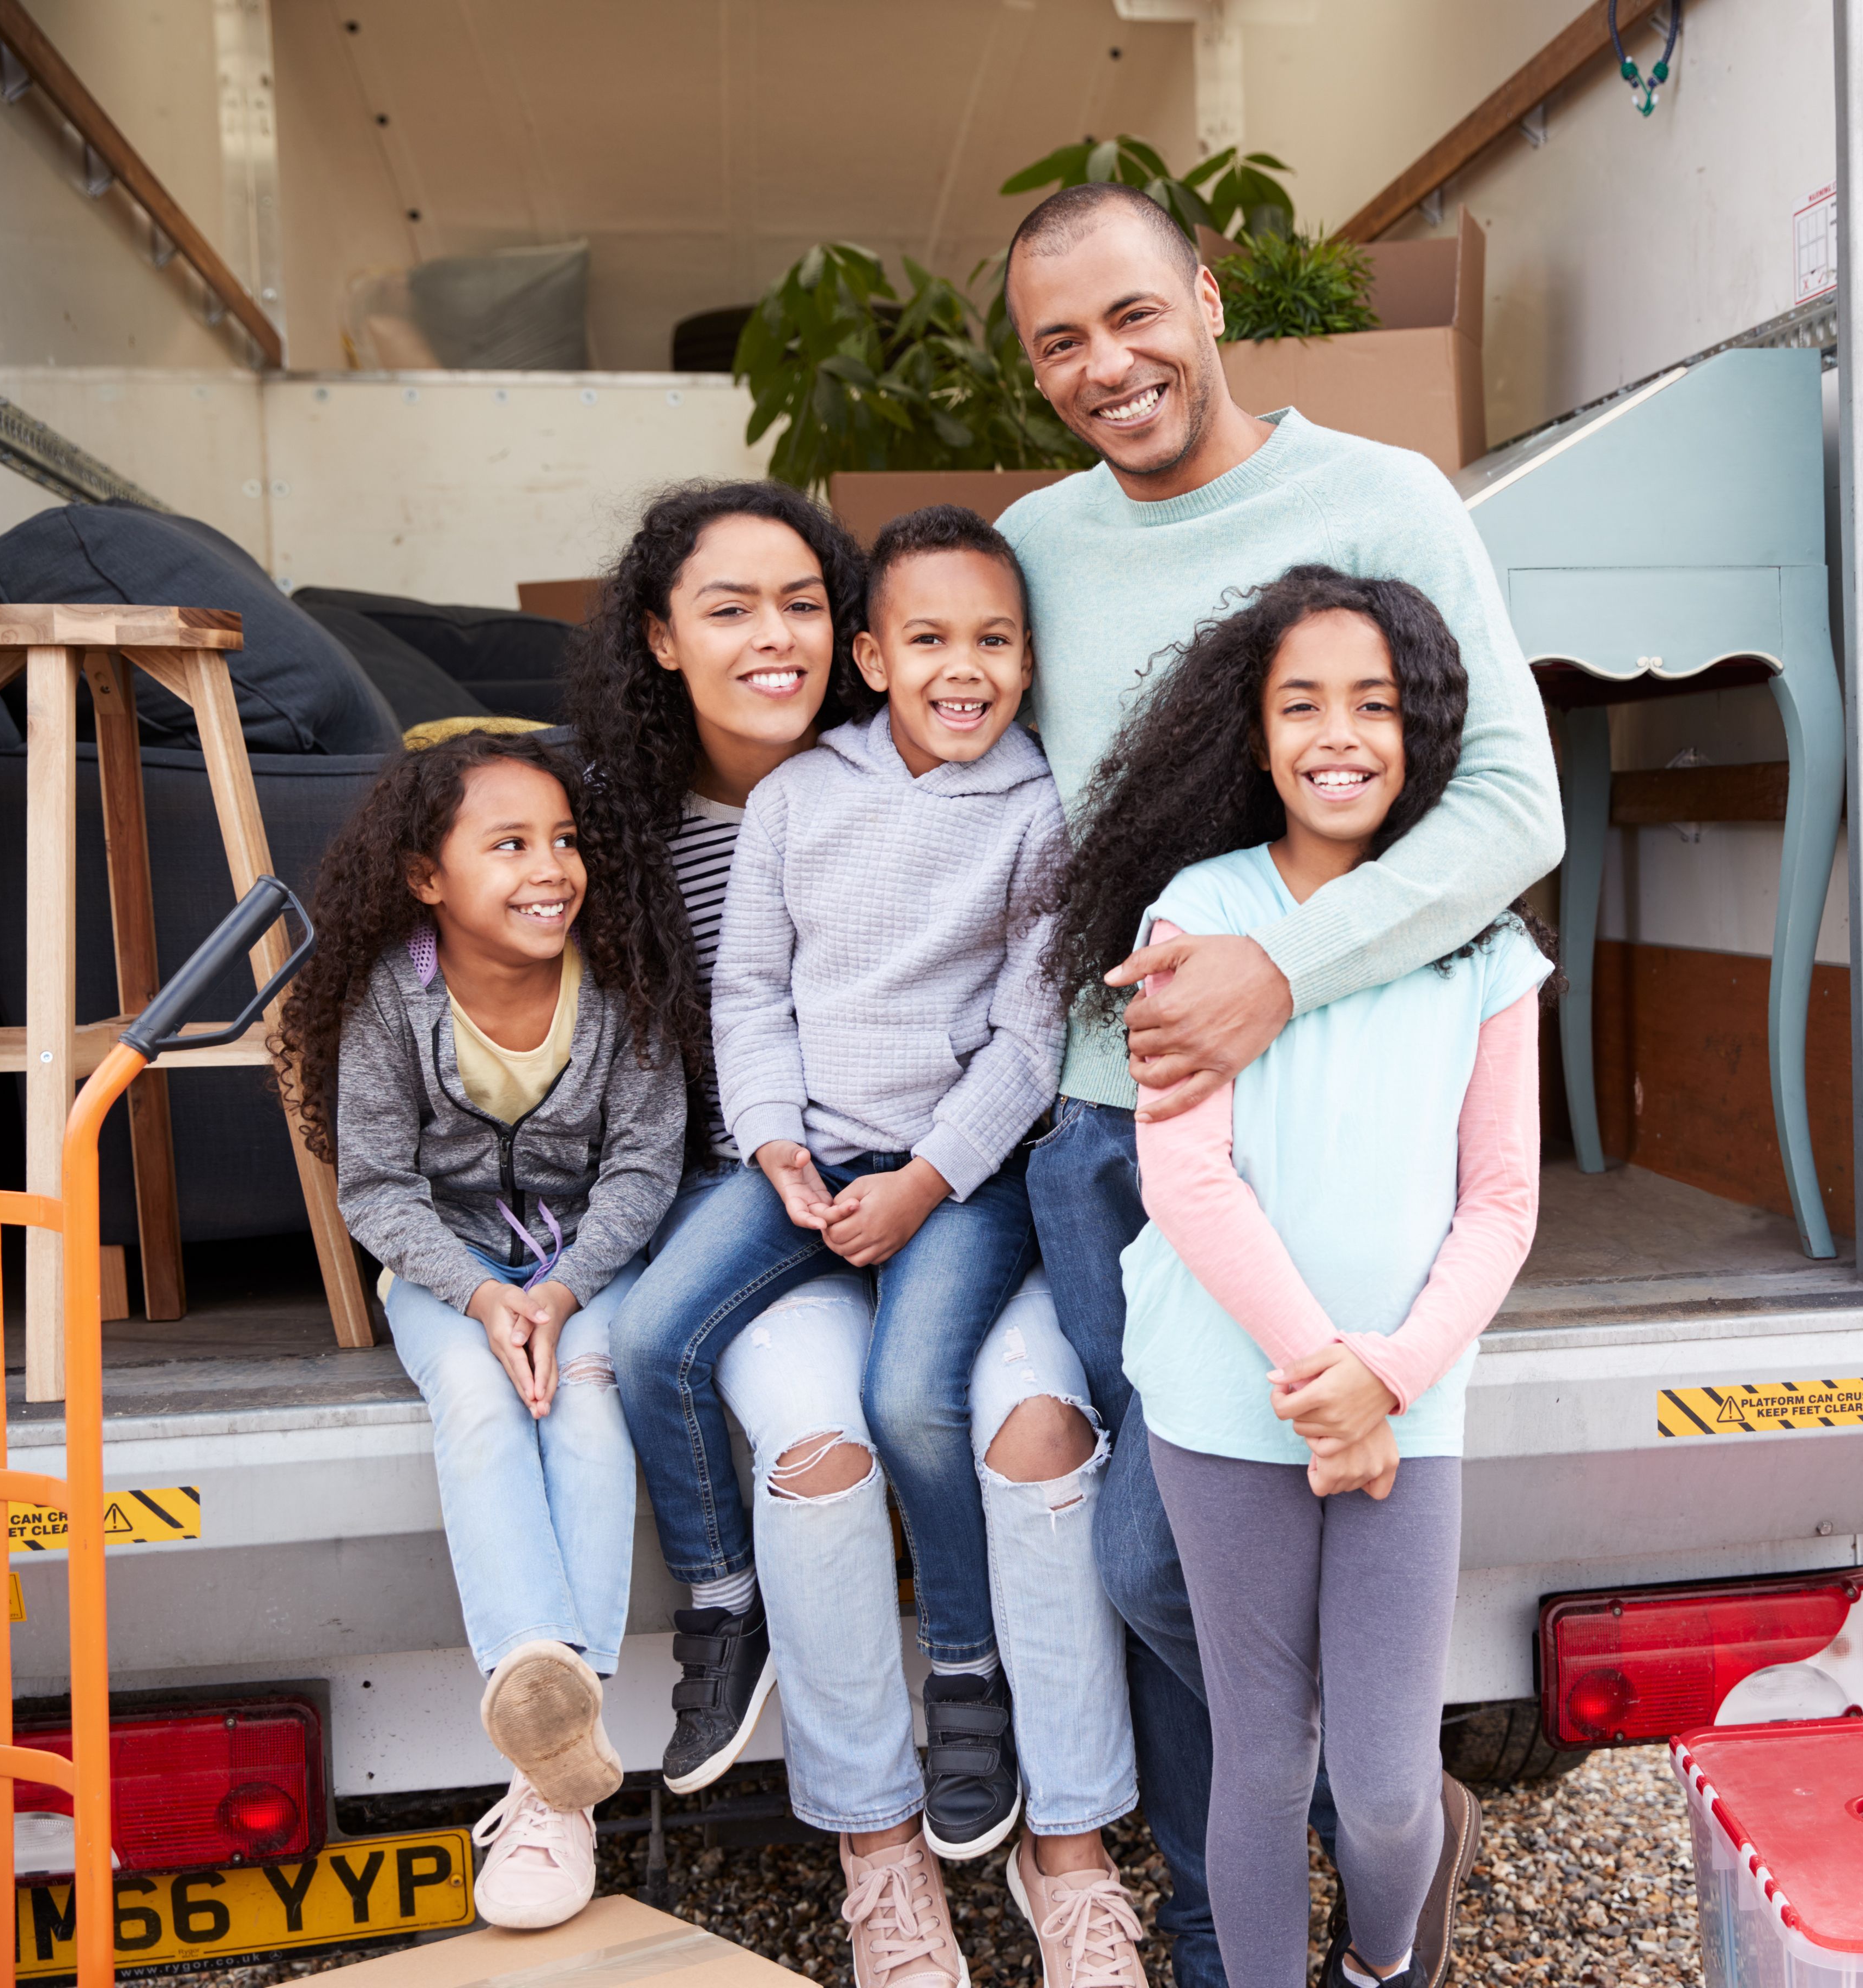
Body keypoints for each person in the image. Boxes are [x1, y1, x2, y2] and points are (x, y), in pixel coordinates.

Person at [1000, 183, 1563, 1986]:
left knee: (1282, 1571)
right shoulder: (1033, 542)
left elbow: (1510, 811)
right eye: (1061, 343)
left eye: (1134, 316)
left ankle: (1359, 1830)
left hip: (1339, 1109)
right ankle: (1253, 1870)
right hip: (1118, 1134)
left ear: (1209, 295)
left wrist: (1280, 972)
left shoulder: (1381, 499)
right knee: (1163, 1566)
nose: (1109, 366)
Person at [604, 500, 1144, 1988]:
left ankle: (967, 1682)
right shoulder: (796, 800)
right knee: (654, 1336)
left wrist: (922, 1180)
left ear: (1034, 663)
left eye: (995, 644)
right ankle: (726, 1613)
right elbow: (749, 993)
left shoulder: (1041, 809)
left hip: (950, 1180)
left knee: (921, 1397)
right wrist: (773, 1138)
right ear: (874, 656)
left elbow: (1036, 1038)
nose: (962, 670)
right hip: (801, 1154)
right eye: (928, 642)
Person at [1048, 567, 1549, 1988]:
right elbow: (1187, 1174)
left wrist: (1381, 1377)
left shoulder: (1484, 943)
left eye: (1376, 704)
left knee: (1388, 1785)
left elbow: (1504, 1197)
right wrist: (1322, 1375)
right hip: (1228, 1398)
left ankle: (1381, 1965)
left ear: (1426, 730)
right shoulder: (1197, 912)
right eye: (1303, 703)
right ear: (1255, 735)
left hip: (1409, 1404)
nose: (1341, 734)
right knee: (1262, 1759)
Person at [279, 731, 693, 1932]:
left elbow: (644, 1166)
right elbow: (377, 1188)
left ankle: (545, 1771)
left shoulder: (616, 987)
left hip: (590, 1271)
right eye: (507, 844)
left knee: (585, 1396)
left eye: (564, 841)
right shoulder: (386, 1005)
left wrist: (560, 1295)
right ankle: (554, 1725)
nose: (549, 868)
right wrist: (478, 1293)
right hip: (448, 1276)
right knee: (479, 1399)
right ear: (426, 876)